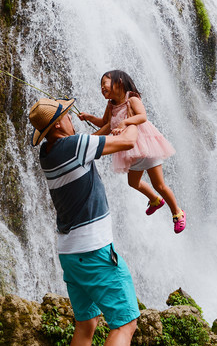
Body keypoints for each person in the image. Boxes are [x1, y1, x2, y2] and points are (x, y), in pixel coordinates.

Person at [29, 96, 145, 346]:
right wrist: (136, 118)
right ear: (61, 124)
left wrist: (110, 121)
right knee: (125, 322)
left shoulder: (49, 154)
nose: (71, 118)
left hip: (70, 253)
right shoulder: (75, 145)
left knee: (86, 323)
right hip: (95, 252)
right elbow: (127, 141)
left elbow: (100, 136)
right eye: (66, 114)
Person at [78, 70, 186, 234]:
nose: (101, 88)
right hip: (131, 151)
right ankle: (155, 200)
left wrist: (124, 123)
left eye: (104, 83)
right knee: (133, 183)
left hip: (147, 146)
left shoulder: (132, 99)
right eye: (100, 86)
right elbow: (105, 124)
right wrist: (89, 124)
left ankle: (177, 212)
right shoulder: (111, 105)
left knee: (159, 184)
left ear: (119, 82)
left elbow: (142, 116)